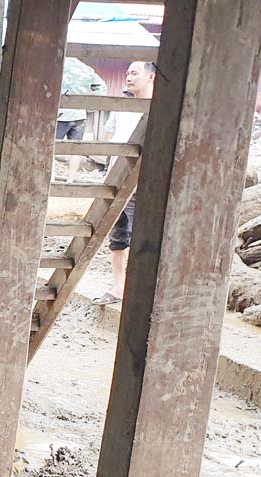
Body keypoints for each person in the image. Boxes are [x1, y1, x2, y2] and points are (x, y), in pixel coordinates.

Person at [94, 61, 155, 306]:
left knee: (144, 232)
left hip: (147, 179)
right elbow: (111, 135)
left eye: (134, 73)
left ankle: (139, 285)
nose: (128, 78)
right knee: (119, 233)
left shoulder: (159, 107)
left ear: (151, 77)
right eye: (127, 73)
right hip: (119, 177)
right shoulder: (121, 107)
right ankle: (119, 286)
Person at [55, 58, 105, 181]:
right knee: (76, 150)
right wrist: (92, 106)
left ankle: (50, 178)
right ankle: (70, 180)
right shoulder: (86, 69)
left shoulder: (59, 65)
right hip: (80, 115)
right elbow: (102, 87)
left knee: (51, 147)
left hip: (61, 114)